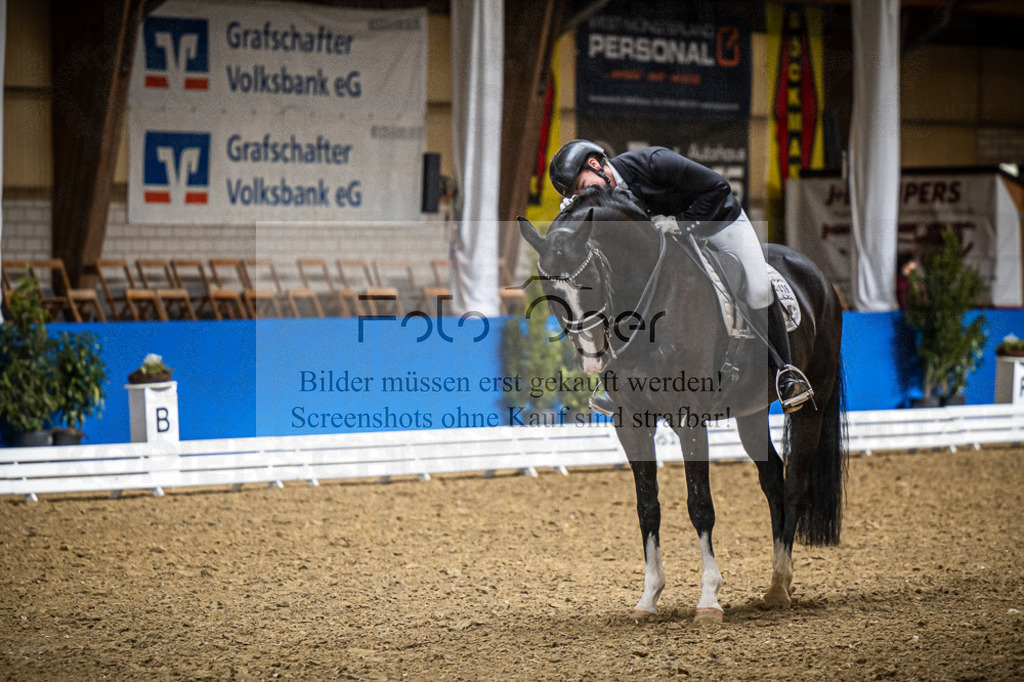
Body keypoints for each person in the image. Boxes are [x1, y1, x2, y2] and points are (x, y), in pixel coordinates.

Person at [548, 139, 813, 414]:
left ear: (595, 164)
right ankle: (616, 385)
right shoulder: (608, 197)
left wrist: (683, 222)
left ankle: (785, 371)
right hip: (673, 238)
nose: (585, 194)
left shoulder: (655, 161)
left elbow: (719, 188)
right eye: (577, 194)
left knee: (758, 287)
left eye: (582, 186)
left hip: (718, 223)